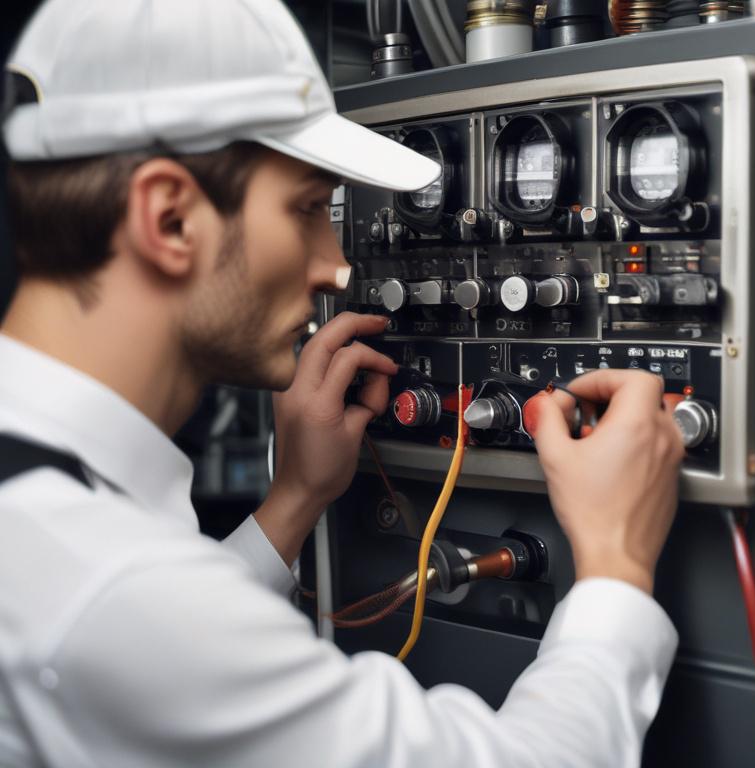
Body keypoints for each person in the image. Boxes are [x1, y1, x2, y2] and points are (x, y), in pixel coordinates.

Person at [0, 0, 685, 765]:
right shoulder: (105, 590)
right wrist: (616, 563)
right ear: (169, 221)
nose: (337, 265)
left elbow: (142, 650)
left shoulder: (50, 519)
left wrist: (292, 502)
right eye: (306, 210)